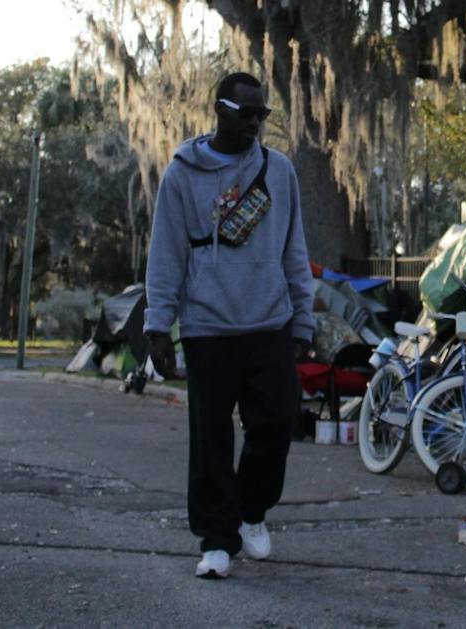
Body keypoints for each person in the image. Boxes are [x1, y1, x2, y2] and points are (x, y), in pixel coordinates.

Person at [144, 71, 316, 580]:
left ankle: (252, 510)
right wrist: (159, 325)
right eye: (247, 114)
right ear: (219, 110)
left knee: (277, 424)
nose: (256, 124)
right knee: (210, 440)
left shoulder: (278, 171)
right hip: (207, 327)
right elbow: (166, 255)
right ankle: (216, 541)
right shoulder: (182, 174)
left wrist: (303, 320)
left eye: (263, 115)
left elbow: (295, 248)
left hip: (269, 323)